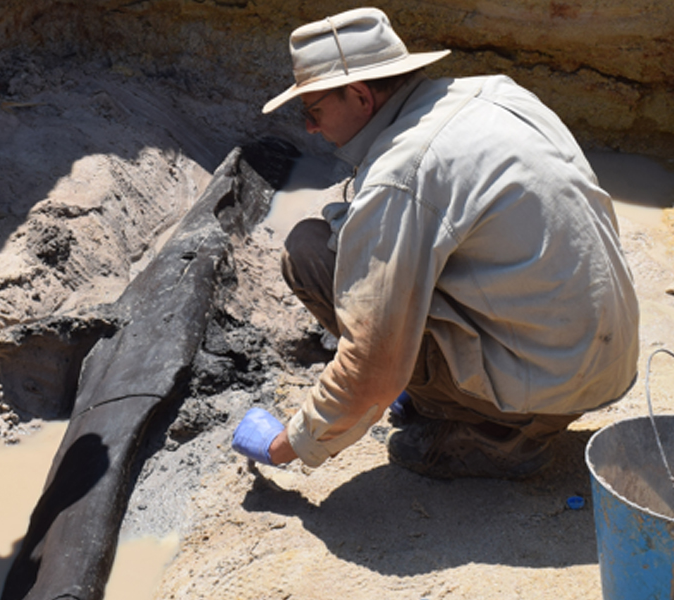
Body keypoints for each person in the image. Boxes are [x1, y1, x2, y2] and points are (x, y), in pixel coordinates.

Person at [232, 7, 639, 479]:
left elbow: (370, 364)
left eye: (313, 110)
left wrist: (288, 445)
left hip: (549, 386)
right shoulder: (495, 91)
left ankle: (497, 434)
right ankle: (466, 401)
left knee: (309, 253)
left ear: (361, 95)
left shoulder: (403, 173)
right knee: (357, 255)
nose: (309, 127)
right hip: (604, 358)